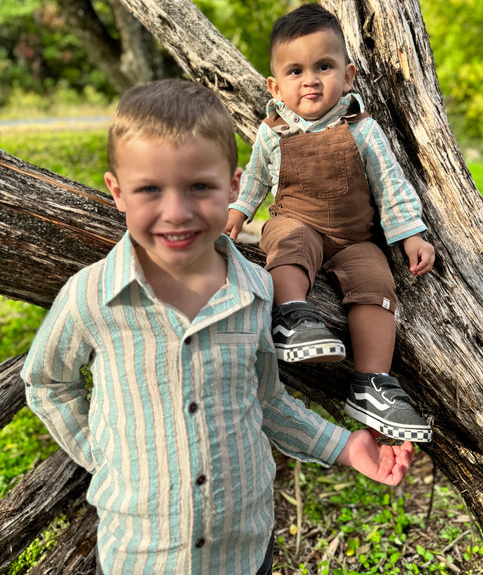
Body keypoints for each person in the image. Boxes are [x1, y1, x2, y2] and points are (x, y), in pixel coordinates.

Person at [21, 79, 414, 575]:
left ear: (233, 186)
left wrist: (343, 445)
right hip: (139, 557)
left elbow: (266, 400)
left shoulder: (255, 292)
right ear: (117, 191)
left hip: (244, 553)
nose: (177, 212)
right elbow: (47, 382)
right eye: (149, 190)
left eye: (199, 187)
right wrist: (105, 457)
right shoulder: (91, 297)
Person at [225, 3, 435, 444]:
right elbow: (257, 178)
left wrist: (411, 234)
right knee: (288, 240)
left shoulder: (362, 130)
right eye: (296, 71)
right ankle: (292, 314)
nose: (311, 80)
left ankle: (371, 383)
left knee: (376, 283)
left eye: (324, 66)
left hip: (354, 238)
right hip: (296, 220)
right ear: (275, 85)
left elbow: (390, 184)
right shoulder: (274, 131)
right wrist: (239, 213)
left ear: (349, 75)